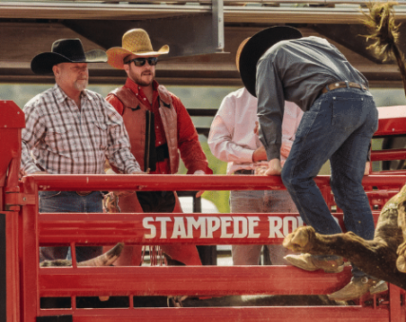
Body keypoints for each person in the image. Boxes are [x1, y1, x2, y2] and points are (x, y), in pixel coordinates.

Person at [236, 26, 385, 301]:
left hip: (333, 101)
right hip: (366, 103)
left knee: (295, 175)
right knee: (347, 184)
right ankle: (370, 271)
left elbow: (269, 109)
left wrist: (273, 159)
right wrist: (365, 155)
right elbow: (357, 83)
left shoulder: (267, 59)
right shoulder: (319, 42)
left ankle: (327, 250)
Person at [21, 38, 143, 263]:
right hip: (55, 198)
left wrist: (133, 171)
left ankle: (85, 299)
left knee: (91, 263)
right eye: (76, 68)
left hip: (93, 198)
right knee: (51, 261)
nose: (83, 72)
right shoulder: (40, 106)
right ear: (57, 71)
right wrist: (32, 173)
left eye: (84, 68)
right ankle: (54, 300)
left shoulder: (99, 103)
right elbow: (18, 143)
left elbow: (118, 147)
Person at [104, 28, 210, 266]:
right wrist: (111, 181)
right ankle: (125, 301)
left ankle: (191, 300)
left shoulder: (172, 101)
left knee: (188, 259)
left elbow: (189, 141)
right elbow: (101, 146)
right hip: (129, 190)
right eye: (139, 61)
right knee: (126, 259)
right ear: (126, 66)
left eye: (151, 60)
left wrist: (199, 171)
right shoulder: (114, 101)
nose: (147, 66)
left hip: (166, 189)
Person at [209, 87, 303, 266]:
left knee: (288, 265)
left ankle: (284, 295)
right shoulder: (233, 100)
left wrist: (274, 139)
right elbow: (216, 143)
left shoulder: (297, 102)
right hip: (247, 183)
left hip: (282, 184)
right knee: (244, 264)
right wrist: (253, 155)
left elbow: (308, 147)